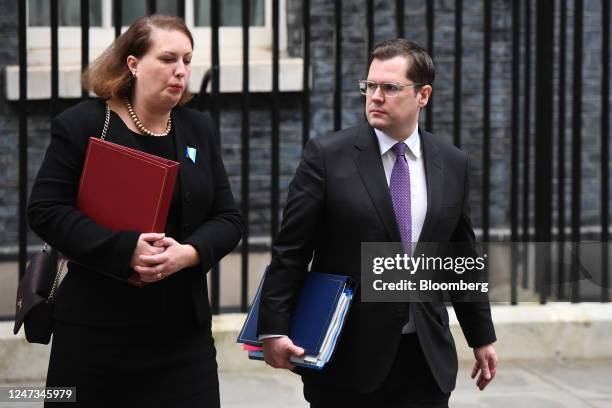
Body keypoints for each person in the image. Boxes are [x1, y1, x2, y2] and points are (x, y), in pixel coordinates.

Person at [257, 39, 497, 408]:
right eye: (370, 86)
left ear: (423, 95)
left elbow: (461, 256)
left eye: (390, 87)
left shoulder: (452, 163)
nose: (375, 96)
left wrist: (481, 337)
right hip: (350, 361)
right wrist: (274, 327)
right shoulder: (327, 157)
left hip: (425, 361)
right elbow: (291, 250)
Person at [27, 15, 243, 407]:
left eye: (187, 60)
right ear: (132, 64)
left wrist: (188, 254)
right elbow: (45, 209)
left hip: (182, 337)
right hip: (95, 335)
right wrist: (126, 249)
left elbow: (229, 218)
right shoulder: (83, 124)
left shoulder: (198, 129)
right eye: (167, 58)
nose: (181, 71)